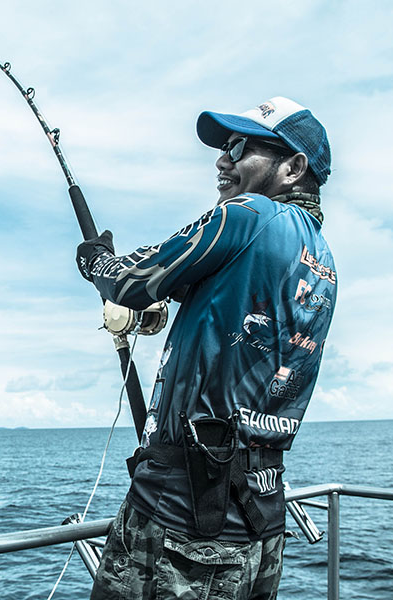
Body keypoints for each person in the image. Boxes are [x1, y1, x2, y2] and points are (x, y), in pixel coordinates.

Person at [76, 97, 336, 600]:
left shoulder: (248, 214)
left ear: (293, 168)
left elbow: (132, 281)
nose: (223, 161)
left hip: (180, 522)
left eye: (238, 147)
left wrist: (98, 262)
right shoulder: (321, 259)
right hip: (258, 521)